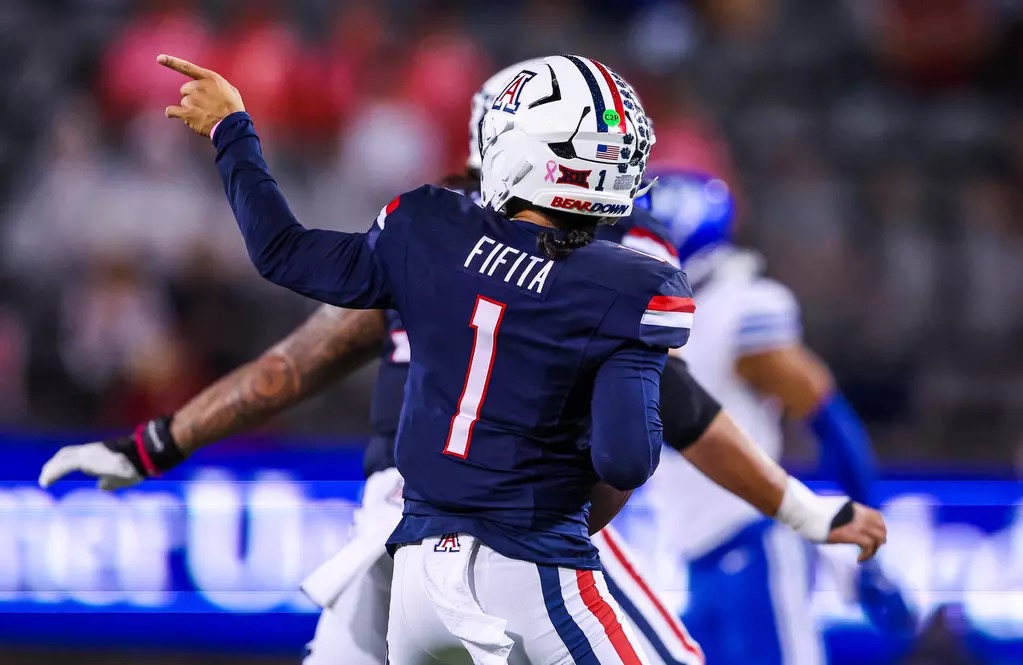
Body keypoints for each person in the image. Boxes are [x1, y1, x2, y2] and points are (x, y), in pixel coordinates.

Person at [40, 54, 886, 664]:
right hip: (526, 548)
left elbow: (282, 366)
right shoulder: (621, 282)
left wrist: (151, 444)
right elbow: (658, 438)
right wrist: (810, 516)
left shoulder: (421, 231)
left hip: (397, 545)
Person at [637, 170, 915, 665]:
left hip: (752, 539)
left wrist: (869, 552)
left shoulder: (737, 306)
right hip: (696, 554)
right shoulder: (661, 310)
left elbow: (830, 420)